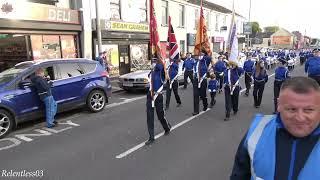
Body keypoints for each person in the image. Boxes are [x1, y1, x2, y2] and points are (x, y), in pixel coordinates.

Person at [230, 76, 320, 180]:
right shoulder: (257, 130)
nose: (300, 118)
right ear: (278, 105)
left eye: (308, 110)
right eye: (291, 109)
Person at [146, 58, 171, 145]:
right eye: (152, 62)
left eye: (154, 62)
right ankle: (151, 137)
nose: (152, 63)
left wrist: (162, 65)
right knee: (149, 117)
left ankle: (167, 127)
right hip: (150, 96)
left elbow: (167, 77)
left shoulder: (161, 72)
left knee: (160, 115)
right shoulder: (150, 73)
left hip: (158, 96)